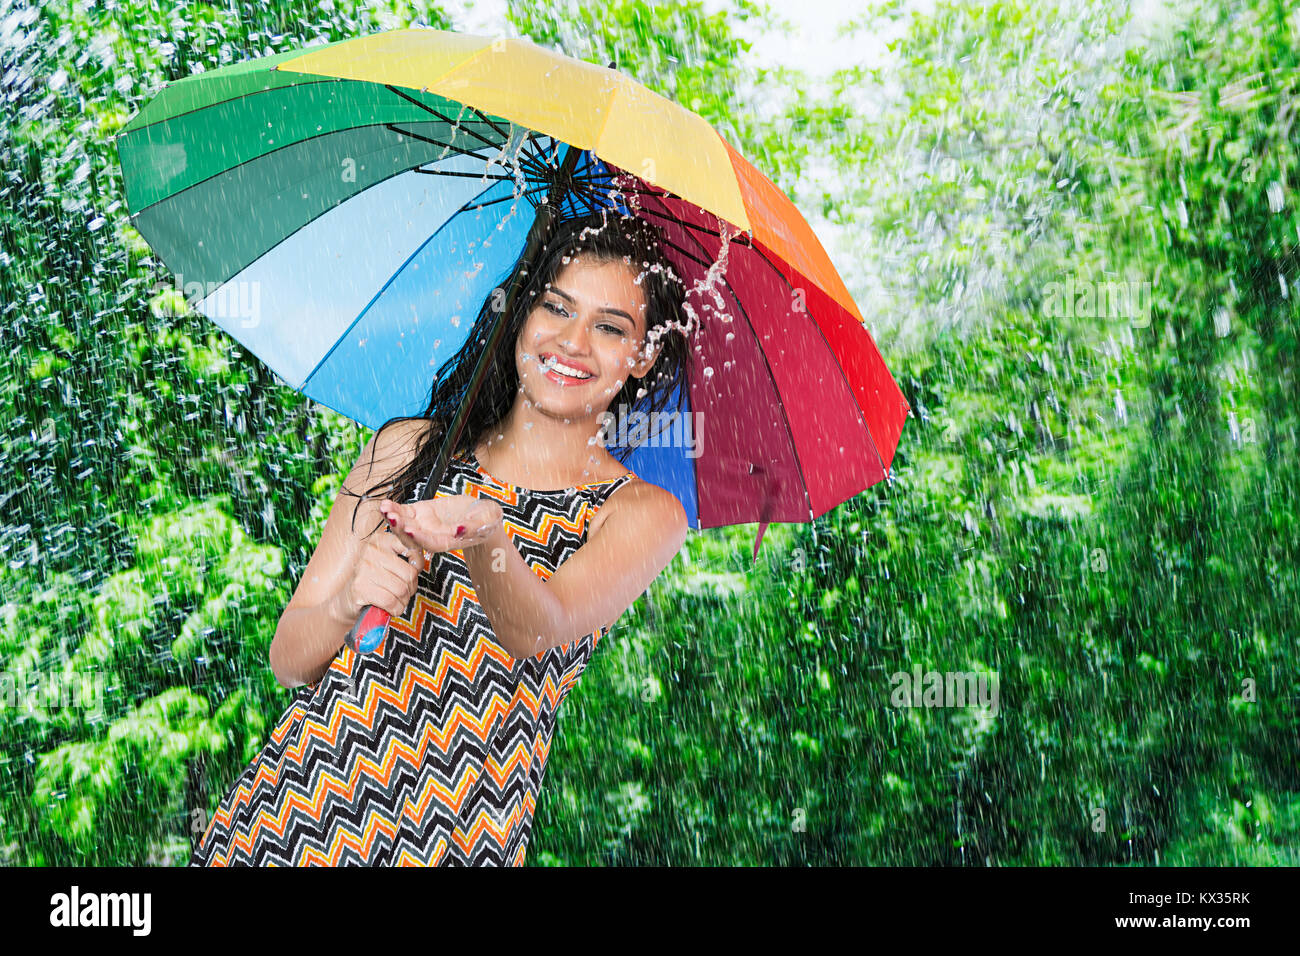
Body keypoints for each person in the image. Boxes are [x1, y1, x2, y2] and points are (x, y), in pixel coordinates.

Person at [190, 209, 690, 865]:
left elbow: (541, 629)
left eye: (608, 326)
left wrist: (487, 537)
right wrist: (348, 604)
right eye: (556, 307)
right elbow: (290, 659)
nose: (571, 341)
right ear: (521, 313)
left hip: (452, 843)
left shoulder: (640, 512)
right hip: (284, 822)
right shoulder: (411, 450)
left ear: (643, 353)